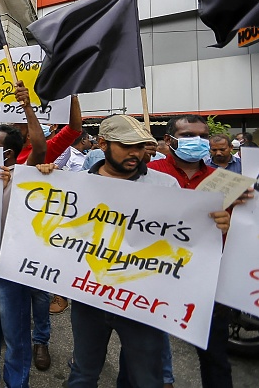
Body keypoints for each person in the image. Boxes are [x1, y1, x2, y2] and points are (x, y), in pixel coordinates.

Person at [55, 114, 230, 387]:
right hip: (89, 298)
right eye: (126, 146)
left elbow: (185, 239)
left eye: (140, 146)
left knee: (146, 377)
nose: (135, 153)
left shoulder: (164, 185)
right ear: (102, 143)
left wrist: (212, 226)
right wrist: (34, 175)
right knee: (83, 374)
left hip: (144, 301)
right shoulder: (74, 185)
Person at [148, 115, 234, 388]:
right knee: (145, 353)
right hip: (154, 278)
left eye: (201, 136)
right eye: (187, 136)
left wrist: (230, 225)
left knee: (216, 358)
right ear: (168, 139)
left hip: (205, 281)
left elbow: (236, 236)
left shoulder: (225, 182)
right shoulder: (148, 174)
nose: (195, 141)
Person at [0, 81, 45, 388]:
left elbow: (40, 147)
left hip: (10, 267)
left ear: (8, 152)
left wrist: (27, 105)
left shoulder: (23, 175)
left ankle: (17, 382)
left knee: (16, 333)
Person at [0, 95, 83, 164]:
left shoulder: (43, 150)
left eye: (17, 126)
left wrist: (72, 95)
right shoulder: (0, 143)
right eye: (10, 123)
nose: (11, 127)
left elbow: (73, 129)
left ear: (30, 134)